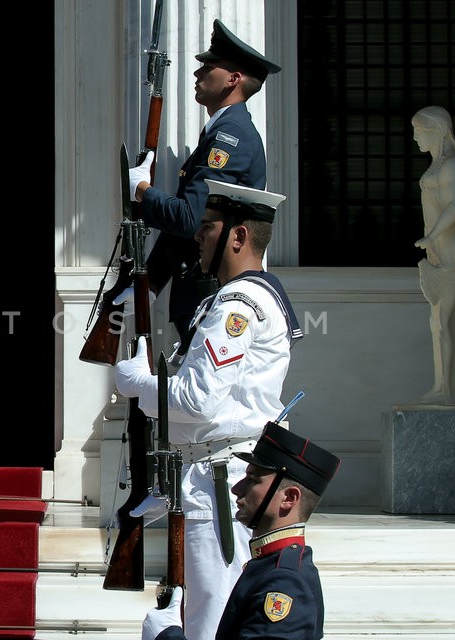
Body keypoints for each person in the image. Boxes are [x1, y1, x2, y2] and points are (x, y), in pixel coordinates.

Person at [115, 180, 303, 640]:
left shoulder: (238, 304)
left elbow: (198, 400)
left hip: (218, 482)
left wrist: (141, 383)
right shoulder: (238, 297)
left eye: (207, 227)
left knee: (209, 622)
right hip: (220, 474)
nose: (196, 237)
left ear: (237, 238)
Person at [125, 18, 281, 340]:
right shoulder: (220, 132)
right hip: (198, 291)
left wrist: (142, 191)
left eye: (208, 67)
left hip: (210, 293)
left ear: (233, 79)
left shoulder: (230, 136)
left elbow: (190, 219)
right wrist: (150, 281)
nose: (197, 74)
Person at [141, 421, 341, 640]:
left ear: (289, 498)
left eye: (253, 480)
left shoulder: (284, 583)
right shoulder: (270, 564)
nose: (236, 488)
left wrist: (166, 636)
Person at [411, 105, 455, 406]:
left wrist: (431, 236)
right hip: (442, 251)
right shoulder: (442, 163)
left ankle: (445, 390)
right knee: (448, 320)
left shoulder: (451, 165)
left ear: (436, 130)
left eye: (419, 131)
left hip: (452, 250)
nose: (414, 137)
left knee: (442, 319)